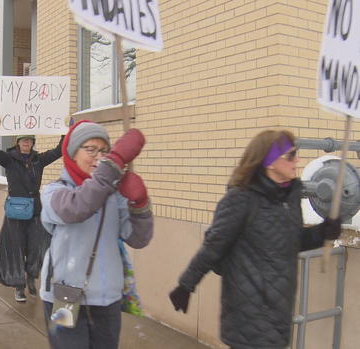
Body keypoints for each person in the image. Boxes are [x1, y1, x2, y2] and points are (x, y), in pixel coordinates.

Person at [168, 130, 342, 349]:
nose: (297, 160)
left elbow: (291, 242)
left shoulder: (289, 198)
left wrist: (323, 232)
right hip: (248, 318)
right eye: (290, 155)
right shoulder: (241, 199)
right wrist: (186, 286)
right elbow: (213, 247)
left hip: (279, 313)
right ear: (270, 162)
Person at [39, 120, 153, 349]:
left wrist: (139, 205)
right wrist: (114, 165)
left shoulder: (114, 196)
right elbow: (77, 208)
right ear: (72, 153)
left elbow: (138, 239)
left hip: (106, 298)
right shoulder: (55, 191)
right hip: (64, 296)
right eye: (90, 149)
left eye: (104, 151)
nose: (99, 157)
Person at [0, 116, 64, 302]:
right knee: (16, 248)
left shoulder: (39, 160)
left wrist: (64, 131)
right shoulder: (9, 159)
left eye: (29, 140)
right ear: (18, 143)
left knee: (36, 247)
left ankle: (31, 276)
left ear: (32, 143)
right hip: (15, 212)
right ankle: (19, 286)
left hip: (35, 211)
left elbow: (59, 151)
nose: (26, 143)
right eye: (23, 140)